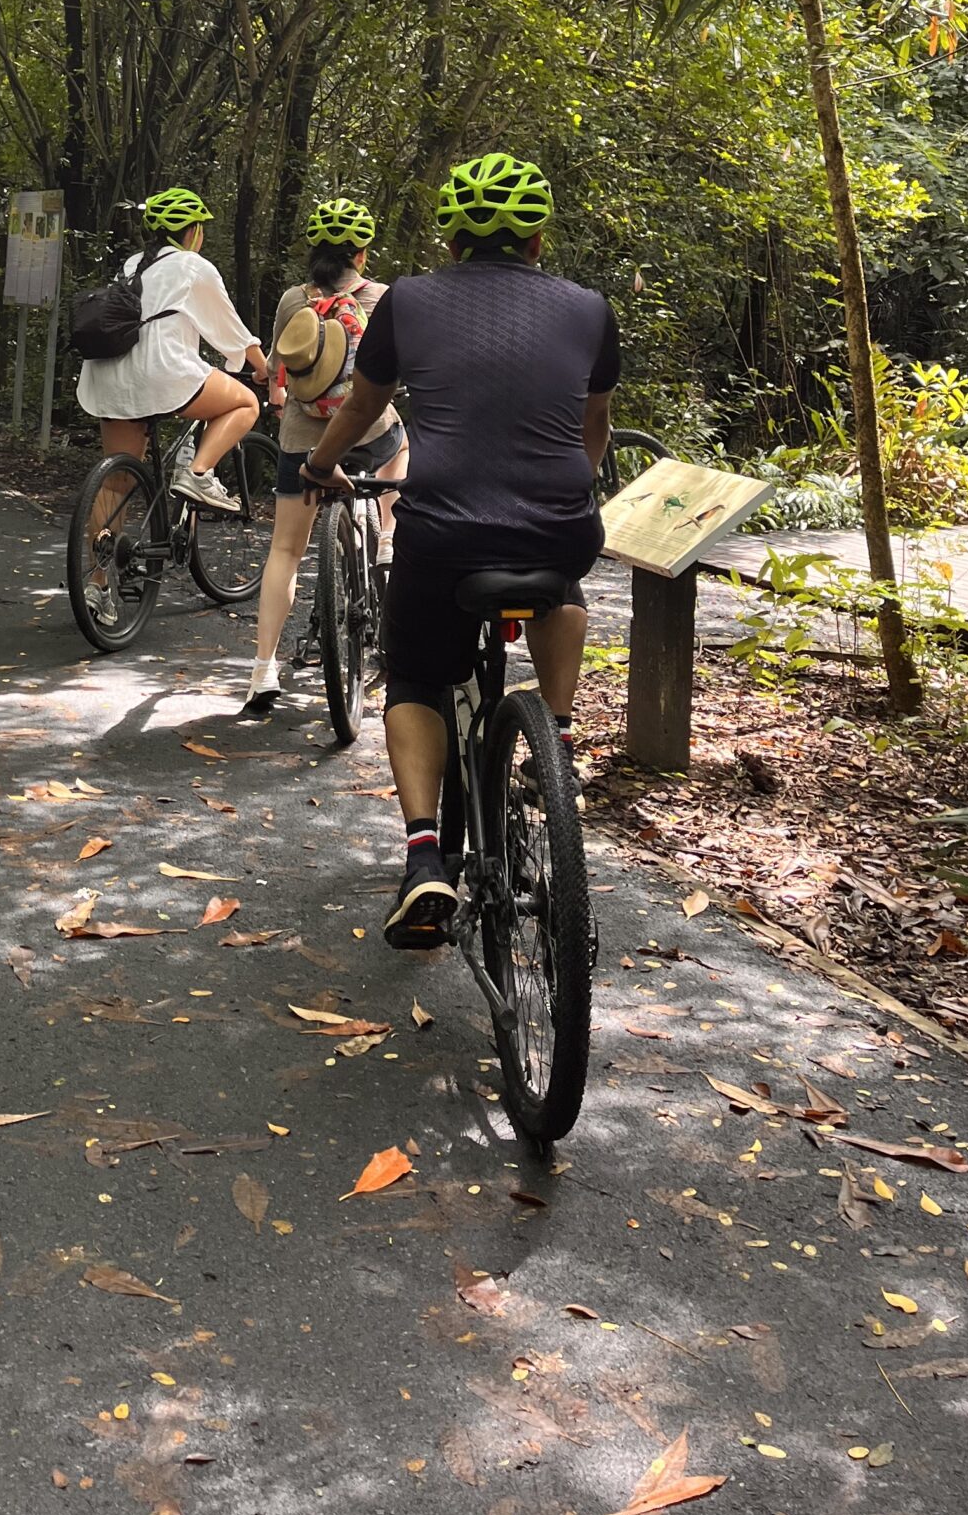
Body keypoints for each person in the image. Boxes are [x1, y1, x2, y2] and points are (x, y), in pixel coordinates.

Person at [301, 153, 618, 949]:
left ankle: (422, 858)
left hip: (443, 530)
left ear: (450, 238)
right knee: (562, 585)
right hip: (558, 523)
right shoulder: (588, 307)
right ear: (539, 238)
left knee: (414, 672)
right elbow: (593, 431)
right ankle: (560, 733)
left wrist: (318, 466)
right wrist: (566, 493)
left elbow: (364, 405)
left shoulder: (408, 301)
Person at [241, 197, 407, 718]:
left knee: (286, 551)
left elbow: (279, 370)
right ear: (361, 253)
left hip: (301, 440)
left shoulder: (293, 298)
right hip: (368, 432)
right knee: (402, 440)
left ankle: (262, 669)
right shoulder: (382, 297)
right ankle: (386, 534)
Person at [75, 187, 267, 524]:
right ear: (193, 232)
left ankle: (96, 576)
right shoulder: (194, 266)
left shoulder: (132, 264)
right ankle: (198, 473)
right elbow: (232, 332)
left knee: (115, 485)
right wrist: (267, 372)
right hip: (162, 374)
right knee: (245, 403)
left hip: (107, 375)